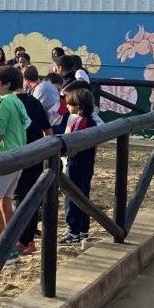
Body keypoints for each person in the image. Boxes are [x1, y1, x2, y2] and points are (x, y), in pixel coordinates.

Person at [0, 65, 30, 265]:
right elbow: (26, 124)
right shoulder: (17, 101)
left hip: (3, 157)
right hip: (18, 155)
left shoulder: (3, 102)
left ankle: (5, 251)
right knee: (5, 202)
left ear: (6, 84)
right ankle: (12, 243)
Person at [13, 74, 53, 255]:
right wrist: (48, 151)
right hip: (36, 153)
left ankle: (22, 239)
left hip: (17, 155)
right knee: (32, 193)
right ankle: (27, 238)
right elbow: (48, 130)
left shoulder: (9, 103)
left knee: (19, 196)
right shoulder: (34, 102)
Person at [60, 87, 98, 245]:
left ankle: (73, 231)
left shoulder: (79, 122)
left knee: (72, 196)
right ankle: (83, 229)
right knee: (83, 195)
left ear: (79, 107)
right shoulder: (91, 121)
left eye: (70, 104)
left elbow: (71, 145)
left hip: (76, 163)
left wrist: (62, 152)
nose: (67, 106)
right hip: (87, 162)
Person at [25, 66, 61, 130]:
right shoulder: (45, 84)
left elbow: (35, 112)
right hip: (57, 119)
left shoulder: (39, 90)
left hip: (55, 123)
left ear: (25, 80)